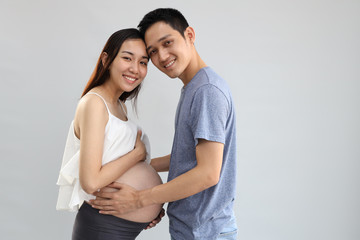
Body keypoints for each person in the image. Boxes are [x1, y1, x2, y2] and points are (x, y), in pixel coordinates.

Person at [90, 8, 238, 240]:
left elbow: (208, 173)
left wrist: (140, 198)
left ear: (189, 35)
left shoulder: (206, 91)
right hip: (194, 228)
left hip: (205, 232)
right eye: (153, 52)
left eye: (168, 43)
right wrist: (139, 165)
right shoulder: (194, 88)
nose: (162, 56)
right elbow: (186, 157)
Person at [56, 28, 164, 240]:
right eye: (127, 58)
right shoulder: (95, 104)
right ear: (106, 59)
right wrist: (136, 155)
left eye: (143, 62)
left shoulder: (119, 106)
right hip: (103, 226)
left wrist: (147, 200)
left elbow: (119, 165)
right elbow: (91, 181)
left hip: (116, 225)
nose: (135, 69)